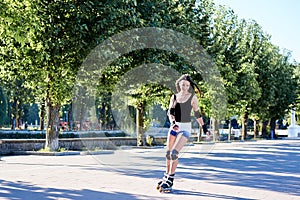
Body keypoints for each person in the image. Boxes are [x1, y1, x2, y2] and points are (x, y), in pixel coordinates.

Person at [157, 74, 209, 192]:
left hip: (185, 128)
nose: (185, 87)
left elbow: (197, 114)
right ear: (179, 84)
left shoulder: (192, 98)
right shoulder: (174, 97)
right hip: (174, 126)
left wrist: (204, 128)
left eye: (187, 85)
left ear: (189, 86)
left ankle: (170, 179)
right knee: (168, 153)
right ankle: (166, 176)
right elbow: (170, 112)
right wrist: (173, 122)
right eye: (183, 84)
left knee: (174, 153)